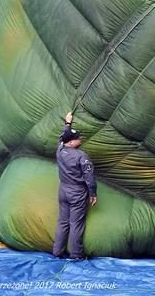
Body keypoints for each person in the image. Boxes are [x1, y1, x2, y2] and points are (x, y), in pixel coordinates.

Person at [53, 111, 97, 261]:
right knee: (76, 224)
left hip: (63, 191)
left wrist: (68, 123)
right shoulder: (81, 156)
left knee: (62, 222)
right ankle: (76, 254)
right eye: (77, 138)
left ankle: (57, 251)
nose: (80, 139)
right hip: (76, 193)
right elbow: (89, 177)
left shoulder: (60, 150)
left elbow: (62, 138)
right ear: (71, 143)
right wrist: (93, 193)